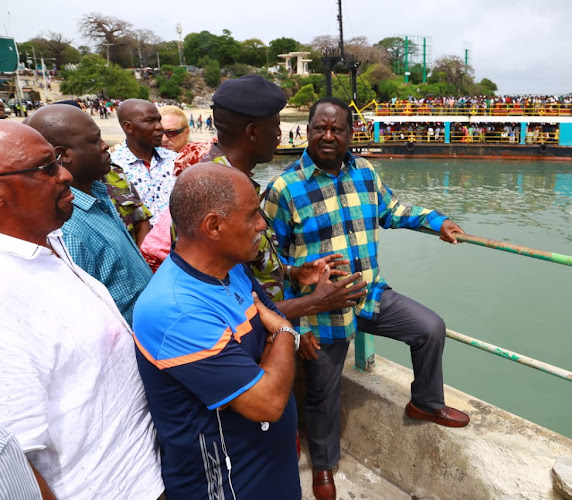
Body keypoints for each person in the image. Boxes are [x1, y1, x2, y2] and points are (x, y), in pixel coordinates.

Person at [265, 97, 470, 500]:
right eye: (319, 128)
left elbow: (392, 210)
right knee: (323, 394)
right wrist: (295, 327)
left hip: (370, 293)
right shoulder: (284, 189)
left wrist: (437, 221)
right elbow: (272, 264)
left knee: (430, 328)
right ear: (306, 130)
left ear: (349, 133)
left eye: (337, 128)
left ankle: (425, 402)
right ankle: (324, 467)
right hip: (322, 309)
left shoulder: (365, 171)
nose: (328, 136)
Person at [0, 121, 163, 499]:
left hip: (145, 475)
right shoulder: (8, 292)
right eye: (46, 169)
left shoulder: (49, 241)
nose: (65, 175)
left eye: (57, 160)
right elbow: (14, 461)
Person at [133, 163, 302, 499]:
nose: (262, 224)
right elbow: (267, 402)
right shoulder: (176, 310)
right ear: (214, 226)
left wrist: (267, 358)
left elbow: (272, 317)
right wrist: (284, 333)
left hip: (269, 466)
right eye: (253, 214)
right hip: (229, 483)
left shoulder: (232, 268)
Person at [140, 75, 366, 322]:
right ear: (252, 132)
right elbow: (228, 300)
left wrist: (291, 272)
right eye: (275, 126)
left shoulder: (228, 178)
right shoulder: (216, 192)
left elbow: (247, 267)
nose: (279, 135)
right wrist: (312, 304)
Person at [25, 104, 154, 326]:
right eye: (94, 141)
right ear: (63, 155)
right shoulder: (68, 228)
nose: (105, 146)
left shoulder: (98, 191)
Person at [111, 99, 177, 224]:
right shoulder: (112, 168)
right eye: (150, 121)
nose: (159, 127)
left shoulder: (176, 161)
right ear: (128, 127)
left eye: (159, 120)